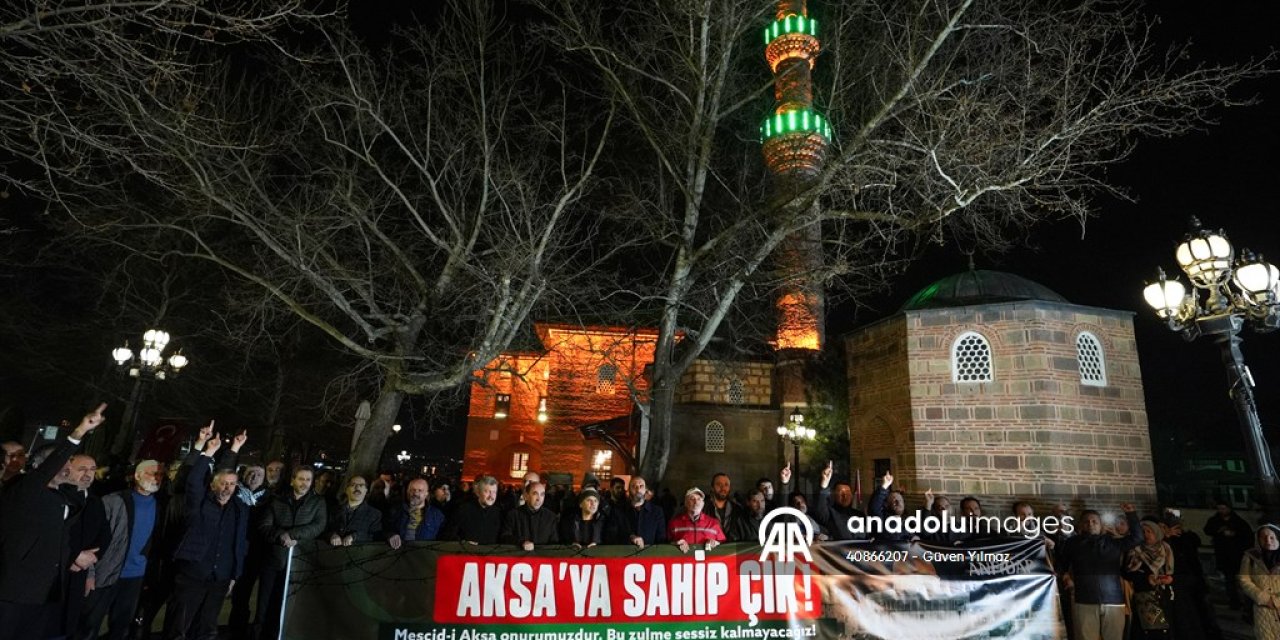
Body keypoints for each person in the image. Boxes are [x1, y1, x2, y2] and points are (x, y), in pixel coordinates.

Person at [0, 403, 104, 640]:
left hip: (46, 594)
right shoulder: (24, 491)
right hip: (15, 593)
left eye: (68, 465)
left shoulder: (63, 499)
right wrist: (78, 433)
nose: (67, 469)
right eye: (62, 464)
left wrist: (78, 557)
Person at [163, 432, 249, 640]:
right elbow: (194, 480)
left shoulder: (239, 508)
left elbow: (238, 543)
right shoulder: (199, 503)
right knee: (178, 628)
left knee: (207, 629)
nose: (227, 487)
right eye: (223, 483)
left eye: (232, 484)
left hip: (219, 578)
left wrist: (234, 575)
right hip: (192, 575)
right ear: (212, 485)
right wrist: (210, 451)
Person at [80, 460, 165, 640]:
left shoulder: (160, 506)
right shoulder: (112, 501)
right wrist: (90, 574)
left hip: (135, 577)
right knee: (88, 626)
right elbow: (90, 541)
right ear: (137, 475)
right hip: (104, 574)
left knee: (121, 628)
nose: (156, 478)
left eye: (160, 475)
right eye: (152, 473)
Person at [258, 466, 326, 640]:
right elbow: (264, 526)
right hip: (274, 561)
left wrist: (293, 535)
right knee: (264, 605)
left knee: (289, 605)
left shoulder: (318, 503)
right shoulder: (277, 500)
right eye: (301, 479)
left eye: (308, 480)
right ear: (292, 480)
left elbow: (318, 526)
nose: (304, 483)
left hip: (299, 563)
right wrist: (281, 536)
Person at [1057, 504, 1141, 640]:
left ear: (1101, 525)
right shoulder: (1072, 543)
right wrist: (1066, 576)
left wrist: (1131, 514)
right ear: (1080, 525)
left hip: (1113, 600)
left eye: (1094, 521)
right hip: (1084, 601)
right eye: (1086, 521)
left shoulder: (1113, 543)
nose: (1090, 524)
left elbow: (1137, 538)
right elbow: (1061, 564)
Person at [1123, 519, 1174, 639]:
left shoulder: (1165, 549)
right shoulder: (1134, 551)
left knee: (1167, 629)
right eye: (1142, 532)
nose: (1145, 534)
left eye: (1149, 531)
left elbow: (1171, 571)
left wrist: (1170, 579)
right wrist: (1147, 578)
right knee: (1150, 632)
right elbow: (1127, 573)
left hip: (1165, 595)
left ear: (1156, 532)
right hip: (1144, 597)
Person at [1205, 501, 1251, 610]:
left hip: (1237, 555)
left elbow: (1246, 534)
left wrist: (1235, 534)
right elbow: (1207, 530)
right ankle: (1234, 602)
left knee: (1243, 580)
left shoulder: (1237, 521)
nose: (1222, 511)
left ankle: (1247, 604)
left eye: (1224, 508)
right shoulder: (1215, 520)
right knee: (1229, 580)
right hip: (1224, 555)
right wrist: (1219, 531)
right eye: (1220, 508)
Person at [1239, 523, 1280, 640]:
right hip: (1262, 608)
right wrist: (1263, 598)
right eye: (1263, 537)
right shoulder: (1251, 556)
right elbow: (1244, 579)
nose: (1268, 541)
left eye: (1271, 537)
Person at [386, 478, 445, 548]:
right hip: (398, 554)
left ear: (426, 494)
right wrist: (390, 535)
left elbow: (443, 538)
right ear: (408, 492)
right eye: (413, 490)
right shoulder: (396, 511)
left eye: (420, 490)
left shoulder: (436, 515)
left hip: (424, 555)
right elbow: (385, 529)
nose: (416, 493)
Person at [444, 476, 502, 545]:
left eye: (494, 492)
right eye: (487, 492)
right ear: (478, 493)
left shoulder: (499, 513)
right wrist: (464, 543)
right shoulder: (463, 510)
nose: (491, 496)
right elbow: (449, 534)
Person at [326, 475, 382, 546]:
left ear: (366, 491)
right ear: (346, 490)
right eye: (353, 485)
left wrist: (355, 536)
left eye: (361, 485)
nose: (357, 488)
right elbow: (325, 530)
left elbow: (375, 536)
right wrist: (332, 535)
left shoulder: (375, 514)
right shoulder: (334, 510)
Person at [501, 481, 558, 549]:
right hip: (518, 557)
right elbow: (505, 537)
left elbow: (554, 543)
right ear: (526, 496)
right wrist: (521, 542)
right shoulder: (513, 514)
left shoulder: (551, 517)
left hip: (542, 558)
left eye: (542, 494)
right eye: (535, 494)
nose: (539, 499)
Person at [613, 475, 665, 548]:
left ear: (645, 490)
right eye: (634, 486)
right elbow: (612, 535)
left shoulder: (657, 512)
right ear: (629, 490)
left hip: (648, 556)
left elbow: (661, 539)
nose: (638, 489)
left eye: (641, 486)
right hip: (625, 555)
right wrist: (630, 537)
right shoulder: (619, 510)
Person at [667, 487, 725, 553]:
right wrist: (675, 544)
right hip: (684, 562)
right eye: (692, 499)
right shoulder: (674, 523)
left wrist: (716, 543)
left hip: (707, 562)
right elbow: (665, 545)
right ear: (685, 503)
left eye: (699, 499)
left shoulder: (714, 523)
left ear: (703, 503)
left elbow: (724, 544)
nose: (696, 502)